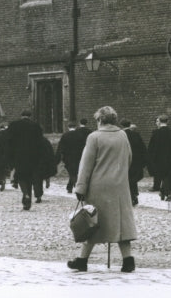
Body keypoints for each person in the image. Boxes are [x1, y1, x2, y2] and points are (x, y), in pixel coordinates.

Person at [68, 105, 137, 273]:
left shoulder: (94, 137)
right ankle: (128, 260)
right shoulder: (123, 135)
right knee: (121, 225)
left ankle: (82, 260)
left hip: (98, 186)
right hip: (120, 186)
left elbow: (86, 164)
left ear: (100, 120)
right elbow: (129, 158)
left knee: (92, 222)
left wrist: (81, 187)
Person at [7, 110, 44, 210]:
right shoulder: (36, 126)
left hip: (18, 156)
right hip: (33, 156)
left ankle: (25, 194)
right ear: (30, 116)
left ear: (21, 116)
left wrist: (10, 158)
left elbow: (9, 142)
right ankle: (27, 204)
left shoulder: (14, 125)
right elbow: (41, 143)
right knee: (30, 178)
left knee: (20, 176)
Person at [146, 115, 171, 201]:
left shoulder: (156, 133)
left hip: (159, 159)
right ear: (167, 122)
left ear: (160, 121)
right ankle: (166, 192)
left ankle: (165, 192)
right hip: (170, 158)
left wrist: (151, 159)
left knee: (162, 175)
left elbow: (151, 148)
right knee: (168, 176)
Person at [122, 119, 149, 205]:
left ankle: (129, 197)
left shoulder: (121, 135)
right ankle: (134, 195)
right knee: (133, 180)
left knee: (126, 179)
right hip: (135, 161)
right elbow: (142, 148)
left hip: (124, 161)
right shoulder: (136, 135)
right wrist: (143, 162)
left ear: (121, 125)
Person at [56, 121, 87, 194]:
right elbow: (84, 146)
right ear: (75, 127)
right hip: (78, 157)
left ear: (68, 127)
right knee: (75, 172)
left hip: (68, 158)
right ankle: (70, 187)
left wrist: (58, 158)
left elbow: (61, 148)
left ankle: (75, 186)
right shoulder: (80, 135)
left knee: (72, 173)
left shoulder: (65, 135)